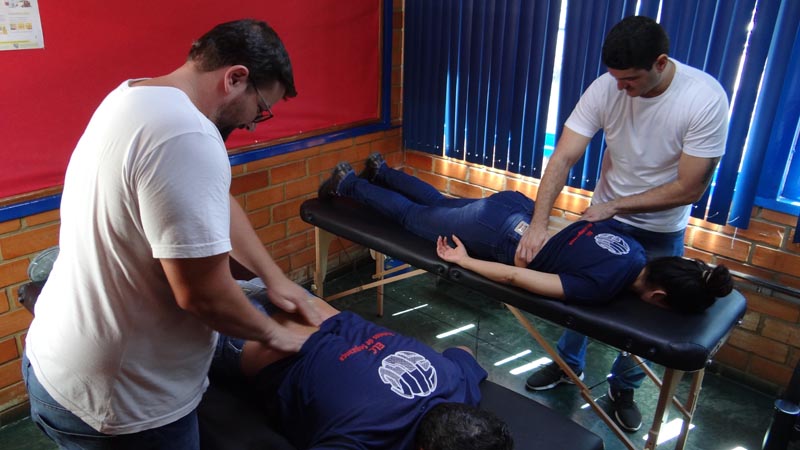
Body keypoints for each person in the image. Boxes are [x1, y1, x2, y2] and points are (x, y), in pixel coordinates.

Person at [23, 19, 321, 450]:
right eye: (260, 108)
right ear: (235, 78)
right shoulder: (188, 135)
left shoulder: (132, 96)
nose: (255, 124)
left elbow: (211, 201)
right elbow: (203, 296)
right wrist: (275, 334)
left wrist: (273, 278)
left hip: (58, 361)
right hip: (119, 402)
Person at [513, 16, 730, 432]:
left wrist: (616, 206)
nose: (621, 88)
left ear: (660, 63)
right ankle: (567, 365)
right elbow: (563, 157)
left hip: (659, 227)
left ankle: (624, 388)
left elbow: (690, 188)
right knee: (578, 296)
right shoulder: (606, 87)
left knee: (645, 320)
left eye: (630, 80)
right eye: (616, 78)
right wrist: (539, 223)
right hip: (605, 216)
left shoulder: (704, 99)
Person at [319, 154, 732, 312]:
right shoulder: (601, 287)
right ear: (658, 296)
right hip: (496, 232)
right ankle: (348, 183)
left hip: (516, 208)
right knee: (413, 218)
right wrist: (465, 261)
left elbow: (583, 224)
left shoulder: (635, 249)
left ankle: (382, 171)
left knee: (440, 204)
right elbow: (517, 276)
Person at [211, 279, 514, 450]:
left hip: (299, 298)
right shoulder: (366, 436)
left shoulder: (458, 382)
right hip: (239, 332)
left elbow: (461, 350)